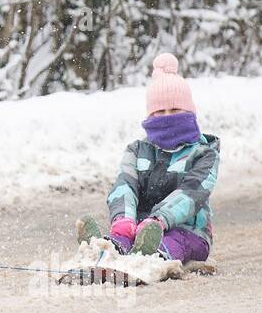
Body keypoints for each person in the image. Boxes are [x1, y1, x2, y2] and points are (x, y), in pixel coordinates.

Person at [76, 53, 219, 262]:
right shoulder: (137, 150)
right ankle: (105, 250)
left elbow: (191, 193)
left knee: (173, 242)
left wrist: (159, 219)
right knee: (123, 237)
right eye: (160, 111)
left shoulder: (204, 154)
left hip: (189, 232)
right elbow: (124, 185)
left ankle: (150, 256)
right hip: (139, 229)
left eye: (175, 109)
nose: (168, 117)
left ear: (189, 111)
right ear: (151, 116)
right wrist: (123, 218)